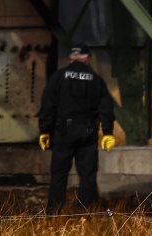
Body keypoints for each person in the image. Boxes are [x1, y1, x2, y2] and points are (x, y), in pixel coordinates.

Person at [37, 44, 116, 215]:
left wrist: (44, 130)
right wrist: (108, 132)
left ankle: (53, 212)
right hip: (87, 134)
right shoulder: (96, 80)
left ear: (71, 58)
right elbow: (106, 108)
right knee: (87, 175)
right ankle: (86, 212)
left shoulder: (58, 77)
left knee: (59, 174)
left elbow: (47, 105)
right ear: (87, 58)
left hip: (63, 133)